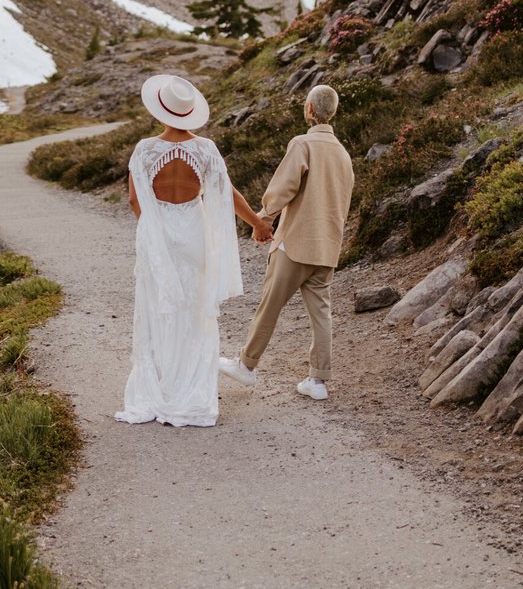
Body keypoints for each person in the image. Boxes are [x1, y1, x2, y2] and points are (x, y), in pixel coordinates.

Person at [115, 73, 272, 428]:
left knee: (159, 308)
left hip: (157, 232)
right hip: (193, 231)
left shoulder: (144, 149)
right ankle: (190, 393)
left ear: (160, 112)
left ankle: (158, 390)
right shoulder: (205, 149)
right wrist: (257, 224)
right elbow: (226, 193)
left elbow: (133, 199)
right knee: (194, 309)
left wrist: (153, 228)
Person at [219, 83, 354, 400]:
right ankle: (318, 381)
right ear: (332, 112)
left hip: (295, 243)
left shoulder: (302, 144)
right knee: (322, 314)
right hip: (328, 247)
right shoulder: (344, 154)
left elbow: (284, 187)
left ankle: (247, 365)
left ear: (309, 109)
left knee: (270, 306)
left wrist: (263, 217)